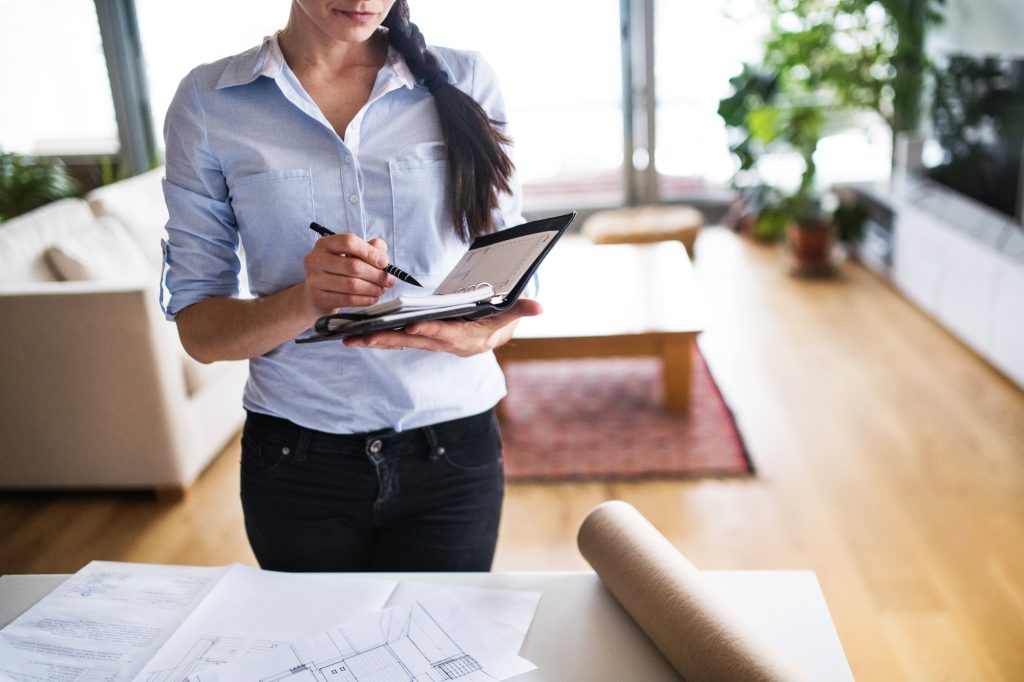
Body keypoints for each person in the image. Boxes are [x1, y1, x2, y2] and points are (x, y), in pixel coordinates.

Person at [160, 0, 541, 572]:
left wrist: (481, 337)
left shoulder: (464, 79)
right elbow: (202, 334)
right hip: (296, 459)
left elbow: (504, 277)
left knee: (444, 654)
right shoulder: (211, 103)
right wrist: (306, 300)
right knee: (313, 656)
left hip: (452, 448)